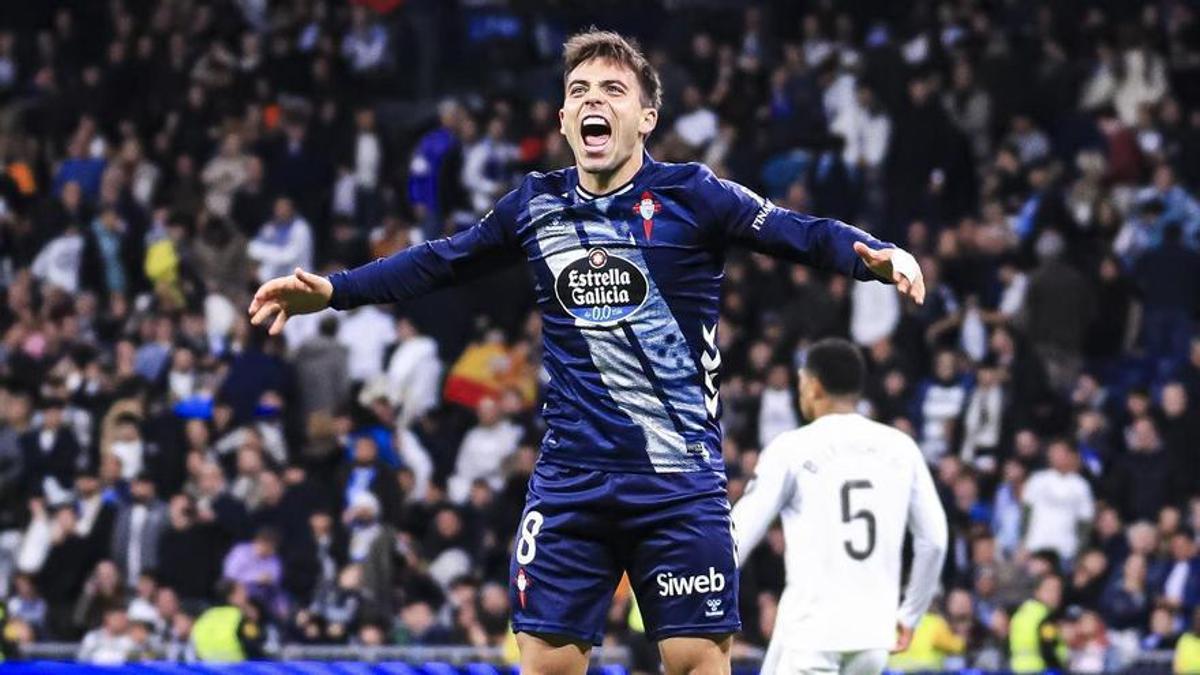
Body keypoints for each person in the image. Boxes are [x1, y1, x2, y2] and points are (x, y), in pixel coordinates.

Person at [247, 30, 924, 674]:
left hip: (676, 482)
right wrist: (334, 290)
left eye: (613, 88)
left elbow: (793, 231)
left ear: (647, 116)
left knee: (696, 662)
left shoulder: (694, 194)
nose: (594, 99)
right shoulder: (534, 205)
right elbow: (439, 261)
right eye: (579, 89)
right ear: (565, 119)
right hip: (571, 484)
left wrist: (873, 255)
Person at [731, 338, 947, 674]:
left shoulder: (793, 447)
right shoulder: (901, 448)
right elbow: (934, 540)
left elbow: (740, 533)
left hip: (812, 632)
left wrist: (705, 594)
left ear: (814, 386)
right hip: (873, 635)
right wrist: (911, 614)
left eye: (801, 383)